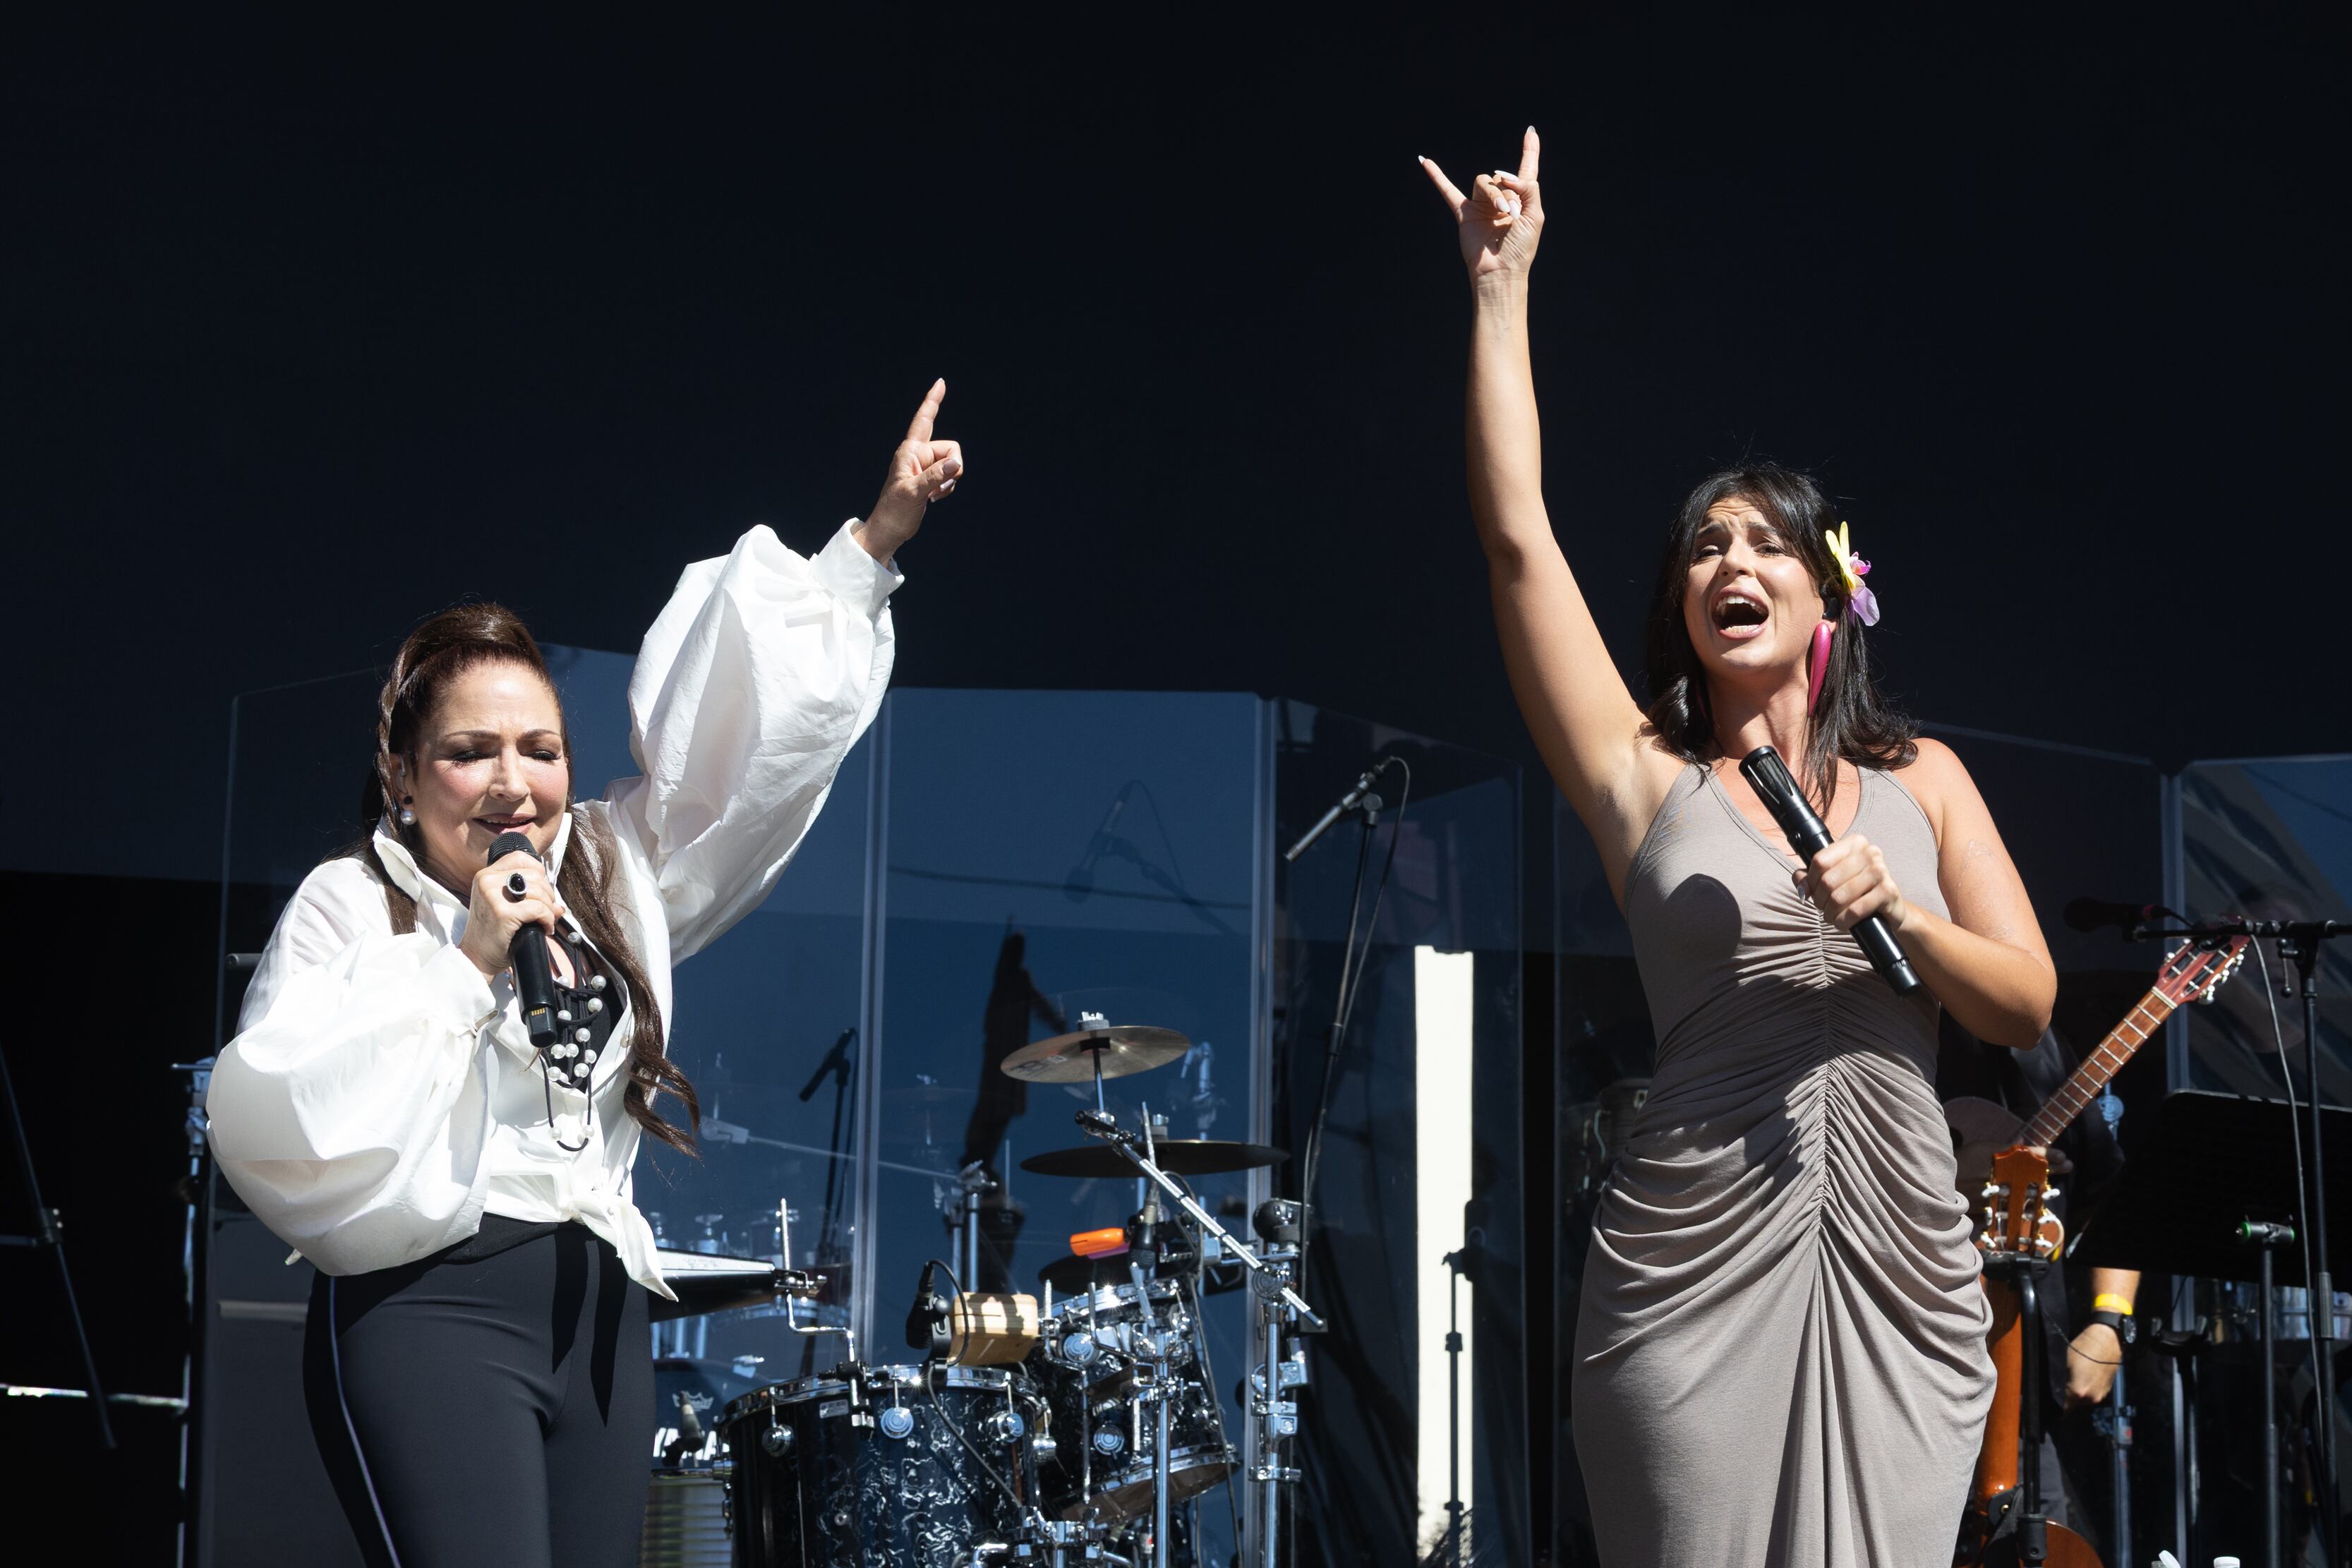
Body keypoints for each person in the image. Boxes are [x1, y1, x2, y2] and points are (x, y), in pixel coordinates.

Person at [1423, 131, 2056, 1565]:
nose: (1727, 565)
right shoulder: (1639, 774)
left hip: (1900, 1265)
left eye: (1761, 544)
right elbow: (1516, 534)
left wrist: (1900, 907)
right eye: (1700, 549)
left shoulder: (1926, 779)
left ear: (1826, 596)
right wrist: (1498, 290)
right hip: (1692, 1257)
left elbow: (2024, 1003)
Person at [205, 382, 966, 1568]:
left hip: (599, 1316)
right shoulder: (353, 903)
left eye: (540, 749)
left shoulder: (613, 871)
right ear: (405, 776)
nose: (512, 780)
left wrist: (871, 545)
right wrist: (467, 955)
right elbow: (276, 1112)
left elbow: (747, 759)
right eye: (470, 751)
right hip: (432, 1304)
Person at [1941, 1020, 2140, 1559]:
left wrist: (2109, 1319)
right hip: (1900, 1391)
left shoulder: (2044, 1050)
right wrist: (1941, 1177)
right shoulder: (1881, 1021)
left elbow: (2112, 1199)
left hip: (2022, 1411)